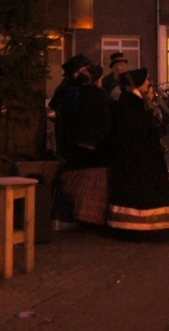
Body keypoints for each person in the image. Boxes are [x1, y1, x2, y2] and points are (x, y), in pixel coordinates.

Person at [106, 68, 169, 241]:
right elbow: (139, 132)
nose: (149, 84)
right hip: (140, 162)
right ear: (138, 84)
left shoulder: (131, 101)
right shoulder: (133, 104)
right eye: (146, 81)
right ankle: (145, 227)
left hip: (137, 160)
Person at [55, 63, 112, 225]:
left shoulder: (75, 92)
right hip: (94, 150)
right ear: (96, 80)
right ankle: (90, 215)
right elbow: (104, 123)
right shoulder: (99, 95)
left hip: (74, 148)